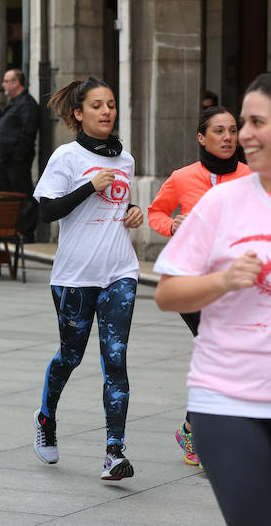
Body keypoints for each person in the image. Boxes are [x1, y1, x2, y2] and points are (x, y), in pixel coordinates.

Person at [153, 72, 271, 526]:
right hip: (229, 399)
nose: (241, 135)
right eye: (239, 124)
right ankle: (190, 431)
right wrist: (223, 281)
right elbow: (167, 292)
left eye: (254, 122)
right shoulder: (219, 201)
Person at [31, 76, 143, 481]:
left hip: (120, 272)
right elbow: (46, 212)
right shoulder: (66, 157)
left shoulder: (125, 159)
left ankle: (115, 451)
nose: (107, 112)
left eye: (111, 104)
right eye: (97, 105)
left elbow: (120, 203)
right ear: (79, 114)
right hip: (75, 276)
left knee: (116, 360)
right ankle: (46, 418)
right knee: (71, 357)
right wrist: (87, 186)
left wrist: (133, 212)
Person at [148, 106, 252, 468]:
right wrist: (172, 226)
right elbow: (155, 212)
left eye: (232, 131)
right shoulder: (182, 177)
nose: (227, 138)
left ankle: (195, 426)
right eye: (219, 131)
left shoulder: (251, 176)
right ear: (201, 137)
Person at [0, 69, 40, 239]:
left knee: (22, 194)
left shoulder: (27, 103)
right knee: (10, 196)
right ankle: (12, 230)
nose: (3, 85)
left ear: (16, 82)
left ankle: (25, 232)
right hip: (6, 159)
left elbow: (28, 132)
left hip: (17, 159)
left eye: (6, 81)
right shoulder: (14, 103)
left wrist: (18, 155)